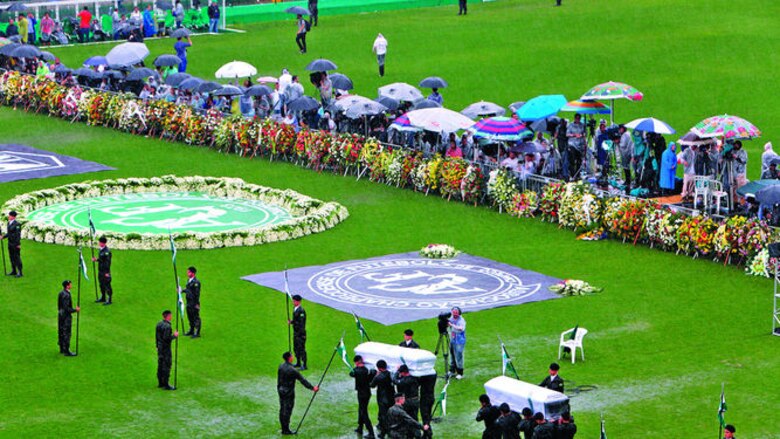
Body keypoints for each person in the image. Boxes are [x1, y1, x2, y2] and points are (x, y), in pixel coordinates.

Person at [278, 351, 318, 435]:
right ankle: (286, 430)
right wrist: (312, 388)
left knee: (282, 409)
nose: (293, 356)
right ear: (289, 358)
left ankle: (283, 428)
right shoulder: (292, 370)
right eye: (292, 355)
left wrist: (279, 388)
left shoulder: (281, 366)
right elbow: (303, 381)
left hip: (281, 391)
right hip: (289, 392)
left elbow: (279, 380)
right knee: (287, 411)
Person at [350, 355, 377, 438]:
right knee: (361, 409)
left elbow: (351, 373)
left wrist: (355, 367)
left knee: (364, 412)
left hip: (361, 394)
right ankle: (360, 427)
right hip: (367, 392)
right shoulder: (367, 370)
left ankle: (371, 432)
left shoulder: (356, 371)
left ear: (357, 362)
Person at [370, 359, 394, 438]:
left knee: (384, 416)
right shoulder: (390, 374)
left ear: (379, 368)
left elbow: (372, 385)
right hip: (391, 397)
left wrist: (375, 375)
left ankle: (383, 432)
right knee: (390, 414)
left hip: (382, 398)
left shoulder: (379, 377)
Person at [156, 310, 178, 390]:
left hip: (160, 348)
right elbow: (167, 339)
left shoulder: (159, 324)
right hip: (166, 349)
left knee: (160, 364)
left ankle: (160, 382)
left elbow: (157, 336)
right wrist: (174, 336)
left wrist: (157, 346)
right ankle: (166, 384)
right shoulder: (168, 327)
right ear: (168, 316)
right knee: (166, 365)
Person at [57, 280, 80, 356]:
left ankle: (62, 348)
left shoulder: (61, 293)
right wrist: (75, 310)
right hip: (66, 316)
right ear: (67, 286)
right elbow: (67, 308)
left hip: (60, 314)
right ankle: (66, 350)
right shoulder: (67, 295)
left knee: (61, 331)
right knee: (67, 332)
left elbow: (59, 305)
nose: (71, 285)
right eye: (70, 284)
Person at [90, 236, 113, 304]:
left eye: (100, 242)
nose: (99, 243)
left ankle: (109, 299)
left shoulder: (107, 251)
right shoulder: (101, 250)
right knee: (101, 284)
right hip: (100, 271)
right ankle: (103, 297)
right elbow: (102, 260)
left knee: (107, 285)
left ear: (103, 243)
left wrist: (107, 272)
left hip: (105, 271)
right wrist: (96, 259)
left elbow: (107, 263)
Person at [289, 294, 307, 370]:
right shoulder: (295, 308)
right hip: (296, 333)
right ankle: (298, 362)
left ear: (298, 301)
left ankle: (304, 364)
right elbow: (296, 320)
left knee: (301, 349)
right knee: (296, 348)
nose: (293, 302)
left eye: (294, 300)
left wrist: (302, 334)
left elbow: (301, 323)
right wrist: (292, 322)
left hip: (300, 333)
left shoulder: (301, 311)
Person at [182, 266, 201, 337]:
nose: (187, 273)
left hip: (194, 303)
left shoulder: (196, 282)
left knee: (195, 317)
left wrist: (196, 304)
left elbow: (197, 294)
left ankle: (197, 332)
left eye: (189, 272)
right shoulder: (189, 281)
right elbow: (188, 290)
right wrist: (181, 290)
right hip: (189, 302)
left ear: (193, 273)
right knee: (190, 317)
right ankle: (191, 330)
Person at [2, 211, 22, 277]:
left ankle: (20, 272)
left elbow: (18, 235)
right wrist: (3, 237)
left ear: (13, 217)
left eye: (10, 215)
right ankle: (14, 271)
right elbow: (9, 233)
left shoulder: (17, 224)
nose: (9, 216)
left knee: (17, 258)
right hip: (10, 243)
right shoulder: (9, 223)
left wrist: (18, 244)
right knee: (11, 257)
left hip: (15, 244)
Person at [448, 306, 466, 379]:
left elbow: (461, 328)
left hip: (459, 341)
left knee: (458, 356)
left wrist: (452, 325)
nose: (454, 314)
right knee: (452, 355)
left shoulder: (461, 320)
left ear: (459, 313)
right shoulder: (451, 318)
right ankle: (452, 370)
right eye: (453, 312)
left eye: (456, 312)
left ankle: (460, 372)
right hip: (452, 339)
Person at [566, 114, 586, 179]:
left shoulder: (582, 125)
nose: (577, 119)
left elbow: (585, 133)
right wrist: (574, 135)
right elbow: (567, 134)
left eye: (579, 118)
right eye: (576, 118)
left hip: (580, 145)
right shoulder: (570, 125)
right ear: (574, 118)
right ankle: (572, 174)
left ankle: (577, 174)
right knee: (572, 160)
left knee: (579, 160)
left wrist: (582, 135)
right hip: (572, 144)